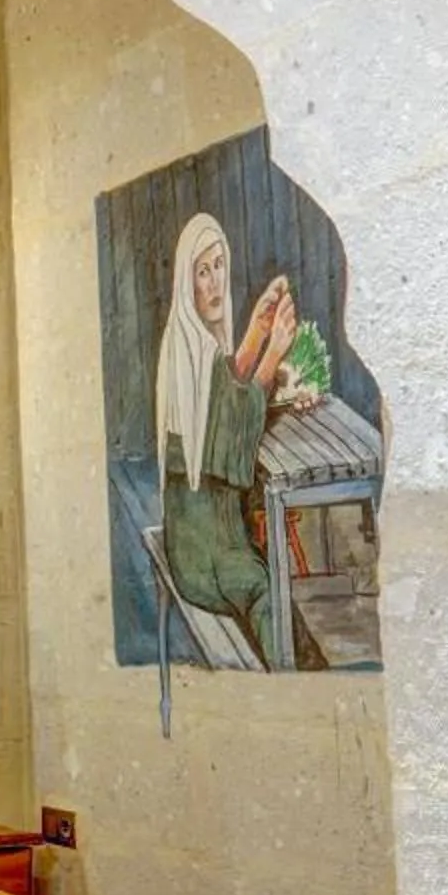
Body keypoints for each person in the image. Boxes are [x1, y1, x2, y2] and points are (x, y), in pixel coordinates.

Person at [152, 212, 315, 664]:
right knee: (267, 593)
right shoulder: (193, 349)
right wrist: (275, 350)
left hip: (194, 539)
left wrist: (257, 333)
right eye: (202, 271)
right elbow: (234, 440)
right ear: (187, 282)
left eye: (219, 265)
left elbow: (223, 396)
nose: (214, 282)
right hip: (207, 556)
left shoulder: (188, 343)